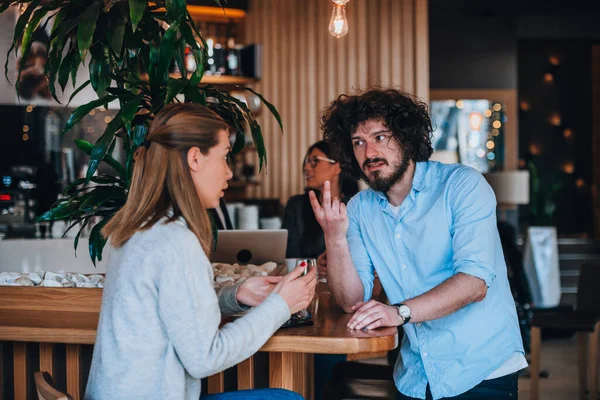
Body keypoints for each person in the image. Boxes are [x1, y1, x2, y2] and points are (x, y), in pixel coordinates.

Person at [85, 103, 316, 400]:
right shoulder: (175, 242)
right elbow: (205, 358)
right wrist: (281, 305)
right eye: (223, 157)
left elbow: (171, 310)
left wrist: (235, 296)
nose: (229, 172)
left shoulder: (137, 227)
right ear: (195, 158)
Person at [310, 88, 526, 400]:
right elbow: (350, 300)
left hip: (481, 368)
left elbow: (474, 283)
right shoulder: (359, 208)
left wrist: (399, 312)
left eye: (380, 137)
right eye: (358, 142)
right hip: (414, 374)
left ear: (407, 138)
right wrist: (334, 238)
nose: (369, 151)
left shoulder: (462, 185)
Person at [282, 140, 358, 279]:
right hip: (310, 286)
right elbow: (289, 257)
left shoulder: (356, 206)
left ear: (337, 167)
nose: (306, 167)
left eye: (314, 161)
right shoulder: (296, 206)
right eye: (307, 161)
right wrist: (315, 266)